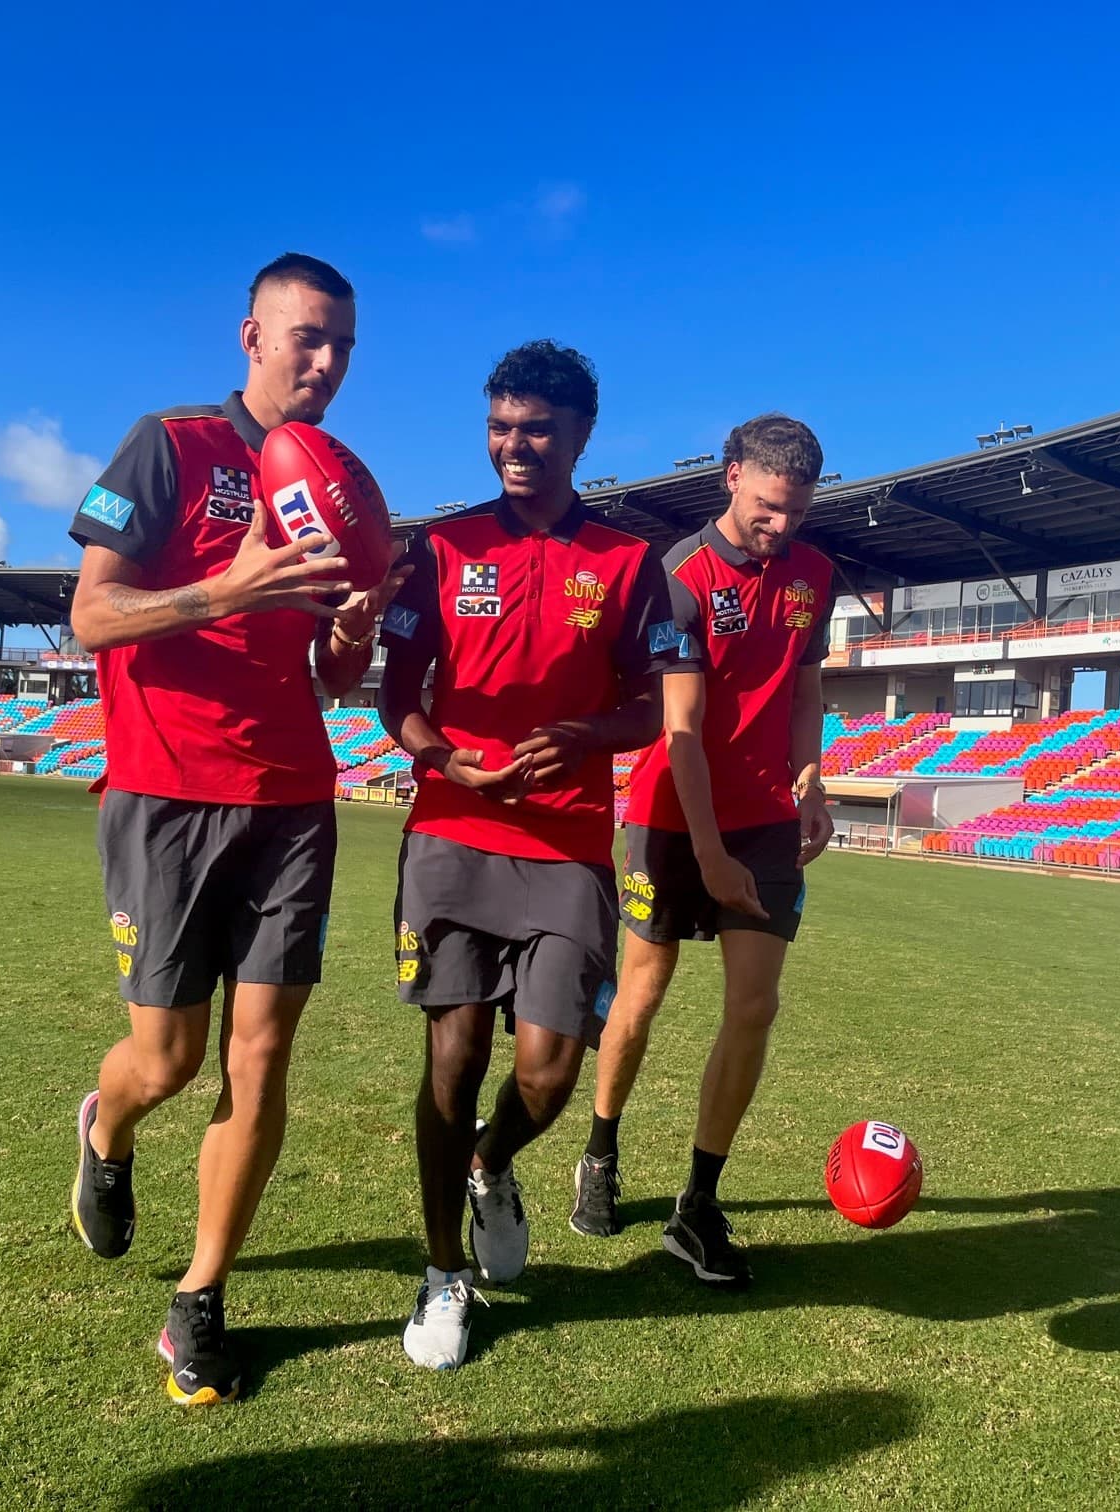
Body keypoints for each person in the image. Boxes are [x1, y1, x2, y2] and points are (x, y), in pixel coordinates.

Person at [65, 252, 406, 1406]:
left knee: (261, 1056)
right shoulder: (170, 445)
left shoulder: (336, 482)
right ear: (251, 336)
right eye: (308, 337)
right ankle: (105, 1130)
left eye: (345, 346)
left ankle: (199, 1302)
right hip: (164, 792)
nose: (327, 363)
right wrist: (228, 589)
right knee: (168, 1059)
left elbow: (322, 662)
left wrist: (347, 647)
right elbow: (89, 617)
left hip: (294, 802)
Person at [378, 340, 674, 1370]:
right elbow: (393, 696)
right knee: (452, 1057)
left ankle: (492, 1165)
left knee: (546, 1075)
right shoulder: (440, 549)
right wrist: (445, 759)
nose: (514, 446)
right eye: (501, 427)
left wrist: (592, 735)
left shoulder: (629, 563)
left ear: (583, 435)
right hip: (453, 833)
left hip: (567, 850)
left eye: (537, 430)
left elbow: (651, 701)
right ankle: (441, 1275)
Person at [572, 414, 837, 1287]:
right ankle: (602, 1150)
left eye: (796, 511)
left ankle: (696, 1205)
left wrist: (811, 780)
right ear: (731, 478)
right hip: (669, 817)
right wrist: (712, 856)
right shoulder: (676, 578)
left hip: (763, 818)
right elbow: (680, 732)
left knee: (754, 1009)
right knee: (642, 991)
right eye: (768, 508)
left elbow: (806, 688)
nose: (782, 527)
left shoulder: (815, 575)